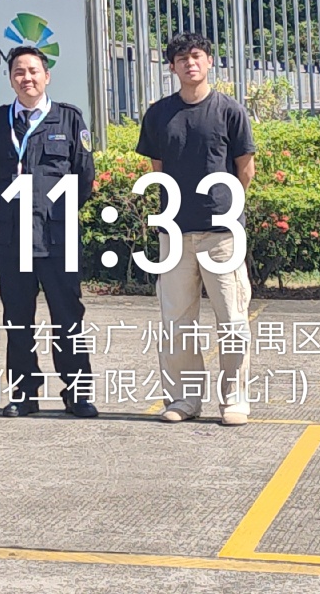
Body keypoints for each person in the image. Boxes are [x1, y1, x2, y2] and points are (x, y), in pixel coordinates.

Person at [135, 32, 257, 426]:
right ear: (171, 67)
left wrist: (225, 209)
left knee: (232, 319)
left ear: (208, 61)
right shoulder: (158, 114)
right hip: (174, 234)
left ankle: (234, 399)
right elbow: (158, 169)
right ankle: (184, 400)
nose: (190, 63)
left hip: (222, 234)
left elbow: (245, 170)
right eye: (182, 58)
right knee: (177, 322)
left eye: (197, 55)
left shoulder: (229, 111)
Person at [0, 45, 98, 418]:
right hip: (14, 236)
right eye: (19, 72)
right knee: (17, 318)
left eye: (33, 71)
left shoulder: (68, 119)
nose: (26, 78)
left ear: (46, 76)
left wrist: (56, 212)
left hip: (58, 236)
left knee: (68, 317)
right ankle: (24, 394)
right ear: (10, 79)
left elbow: (84, 177)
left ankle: (77, 394)